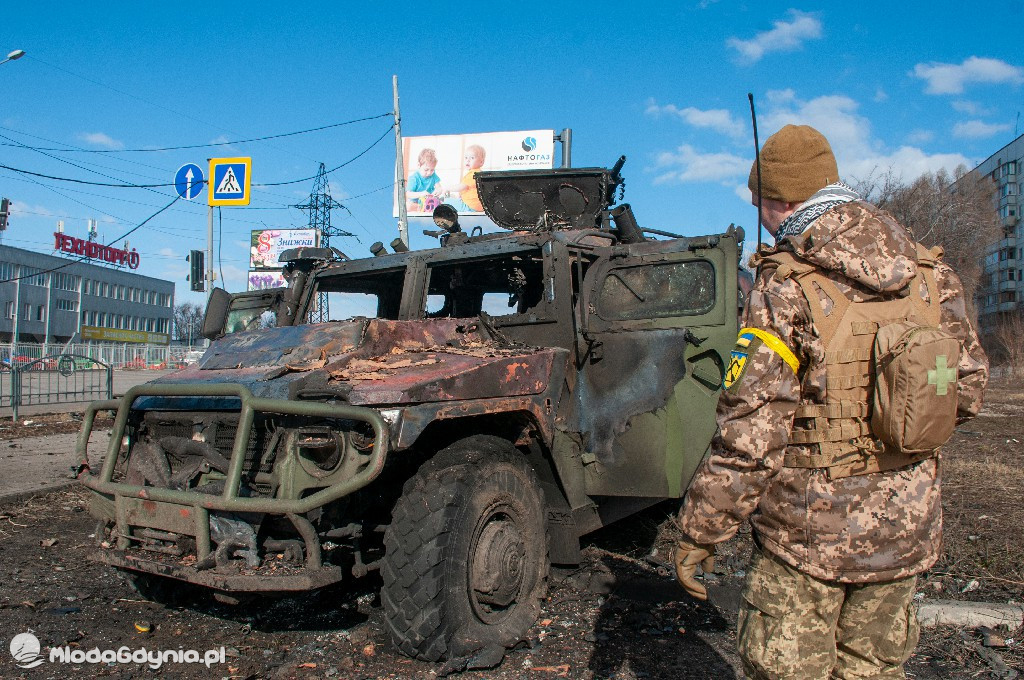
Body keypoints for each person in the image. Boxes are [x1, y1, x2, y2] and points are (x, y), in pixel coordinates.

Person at [674, 124, 988, 679]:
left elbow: (750, 435)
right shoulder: (929, 274)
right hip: (906, 527)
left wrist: (703, 528)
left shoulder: (785, 286)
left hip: (806, 538)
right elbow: (966, 390)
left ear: (782, 200)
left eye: (759, 202)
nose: (762, 216)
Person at [444, 144, 486, 212]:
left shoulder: (473, 174)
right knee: (454, 199)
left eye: (472, 158)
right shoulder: (481, 174)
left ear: (481, 162)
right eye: (466, 158)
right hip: (480, 207)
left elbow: (461, 187)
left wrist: (448, 188)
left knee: (446, 201)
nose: (468, 160)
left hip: (470, 206)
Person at [408, 148, 442, 212]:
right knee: (408, 206)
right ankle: (423, 208)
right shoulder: (414, 178)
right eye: (426, 170)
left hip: (430, 202)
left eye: (432, 170)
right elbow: (408, 194)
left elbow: (439, 187)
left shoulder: (433, 175)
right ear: (419, 165)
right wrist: (421, 194)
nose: (429, 173)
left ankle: (428, 209)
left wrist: (438, 191)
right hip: (416, 203)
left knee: (442, 204)